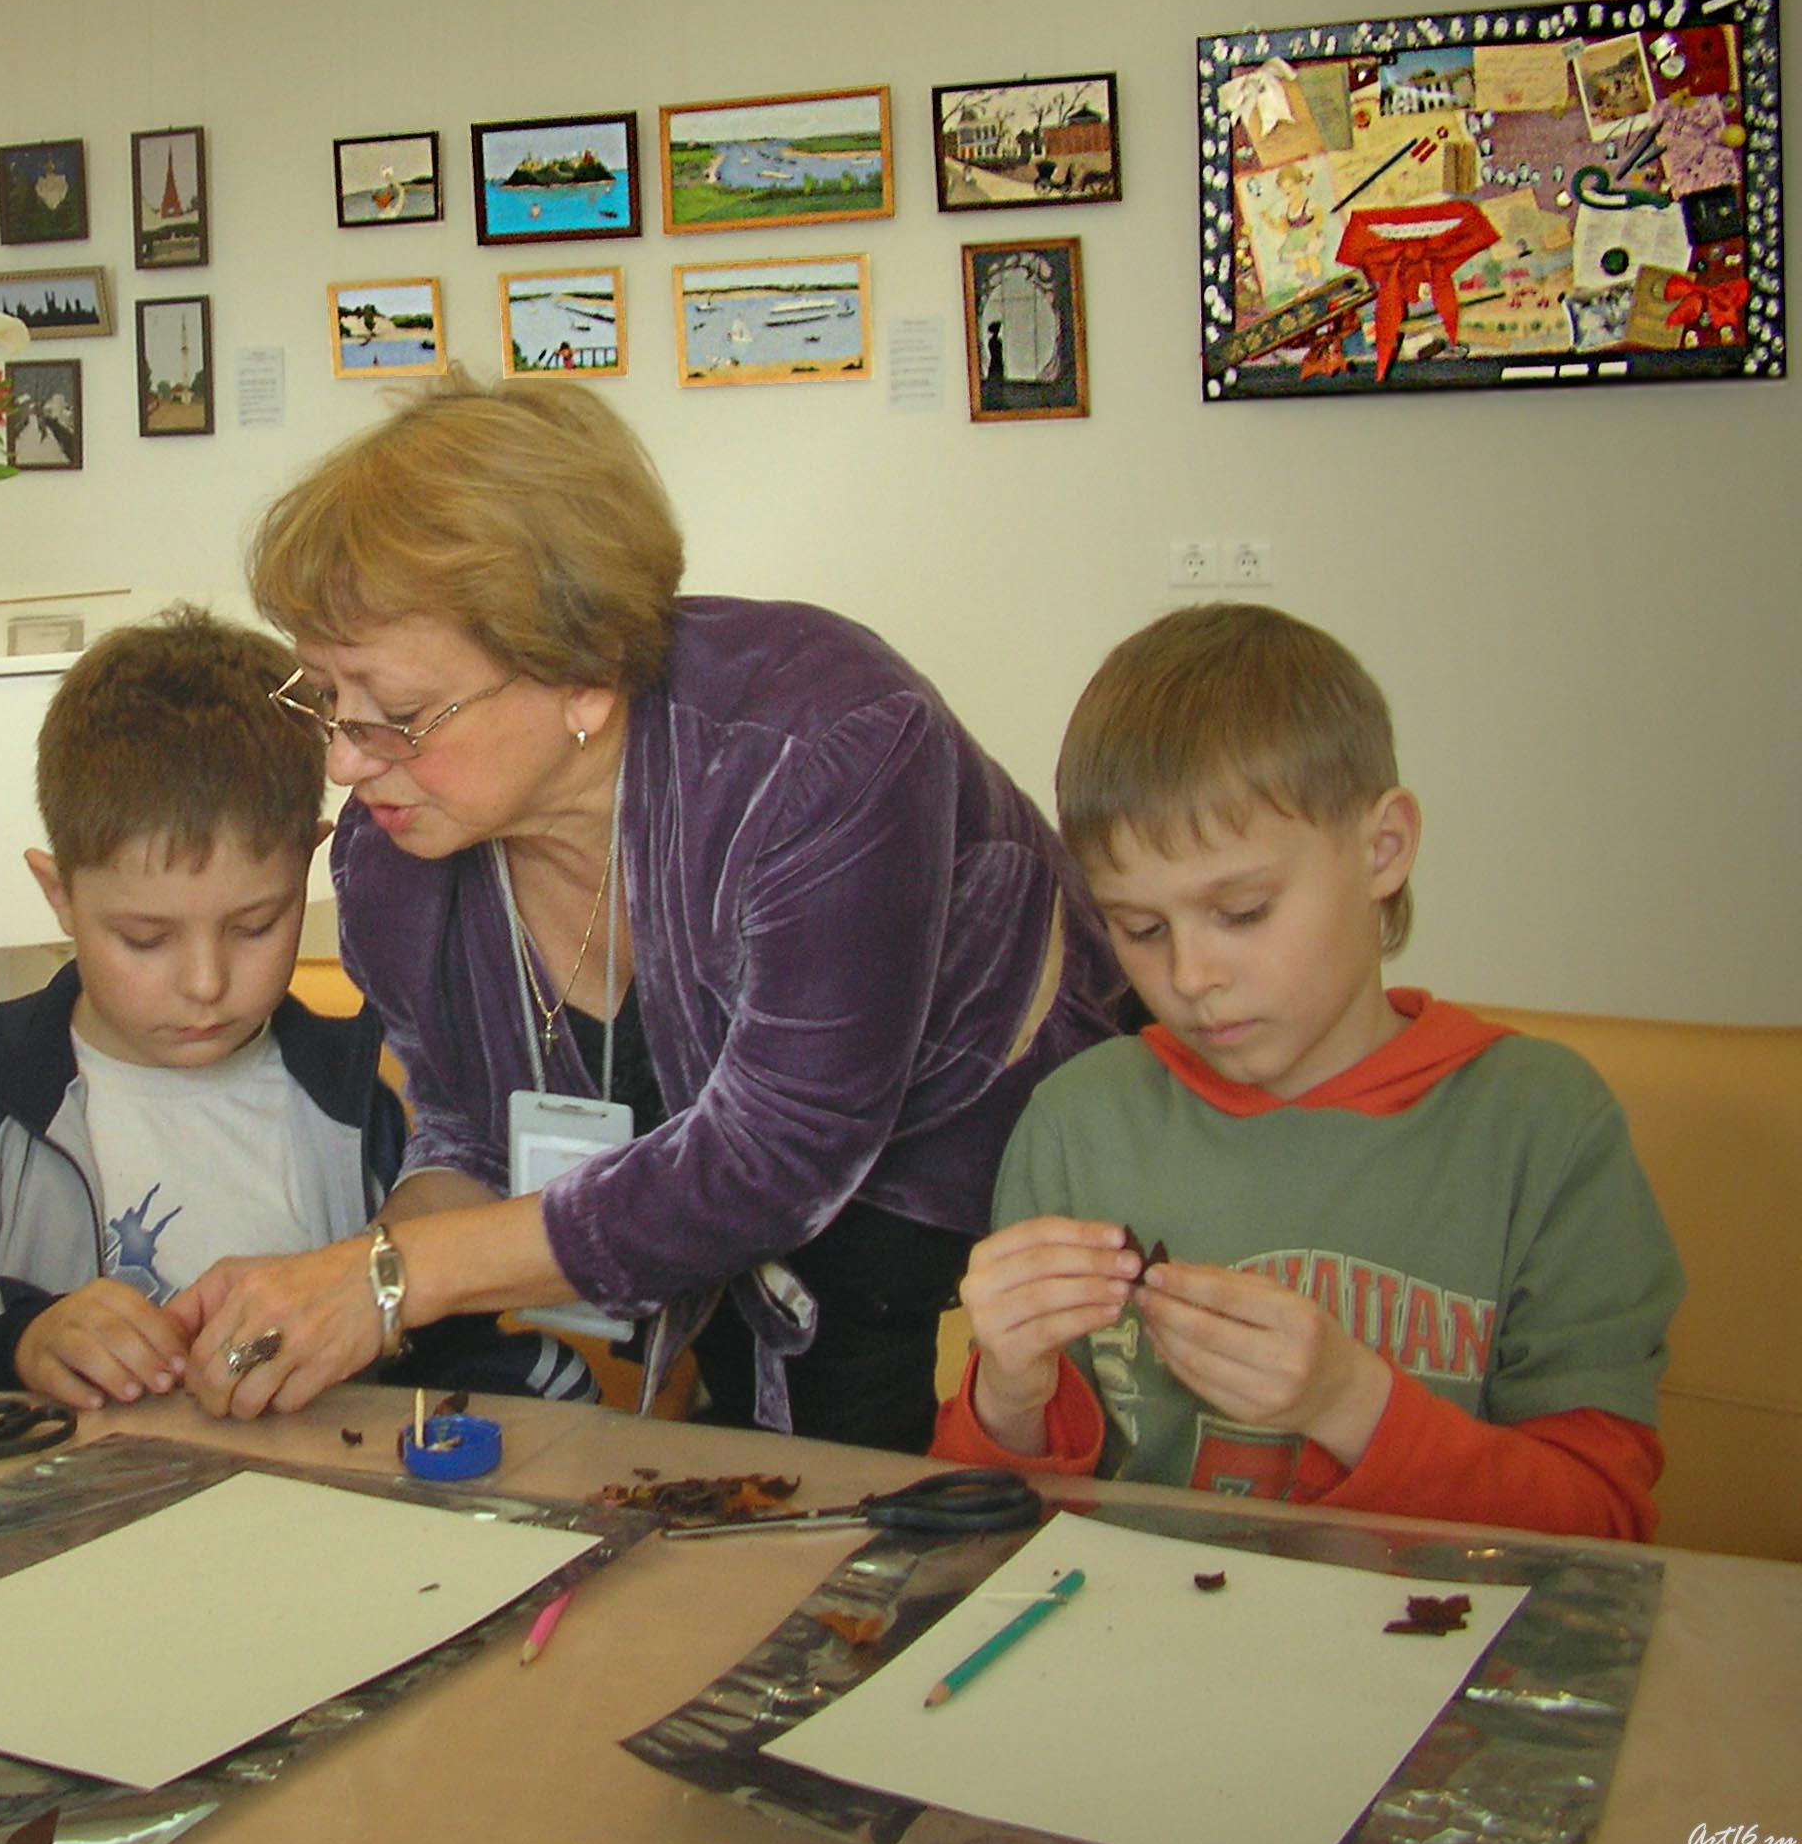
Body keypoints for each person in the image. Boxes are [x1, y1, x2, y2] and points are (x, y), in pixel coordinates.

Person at [169, 369, 1126, 1452]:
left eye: (395, 712)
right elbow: (469, 1134)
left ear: (587, 677)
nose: (344, 759)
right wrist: (339, 1298)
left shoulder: (825, 753)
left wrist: (391, 1280)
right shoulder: (392, 863)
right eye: (323, 695)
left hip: (976, 1157)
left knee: (880, 1474)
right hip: (728, 1212)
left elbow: (773, 1160)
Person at [933, 603, 1684, 1539]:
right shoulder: (1079, 1121)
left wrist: (1350, 1402)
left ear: (1383, 850)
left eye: (1243, 911)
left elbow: (1601, 1528)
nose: (1193, 976)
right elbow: (983, 1527)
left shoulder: (1542, 1126)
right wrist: (1008, 1390)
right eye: (1140, 929)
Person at [0, 605, 591, 1410]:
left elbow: (438, 1357)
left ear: (311, 865)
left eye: (255, 925)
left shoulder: (361, 1113)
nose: (206, 982)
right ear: (59, 895)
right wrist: (15, 1345)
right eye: (145, 938)